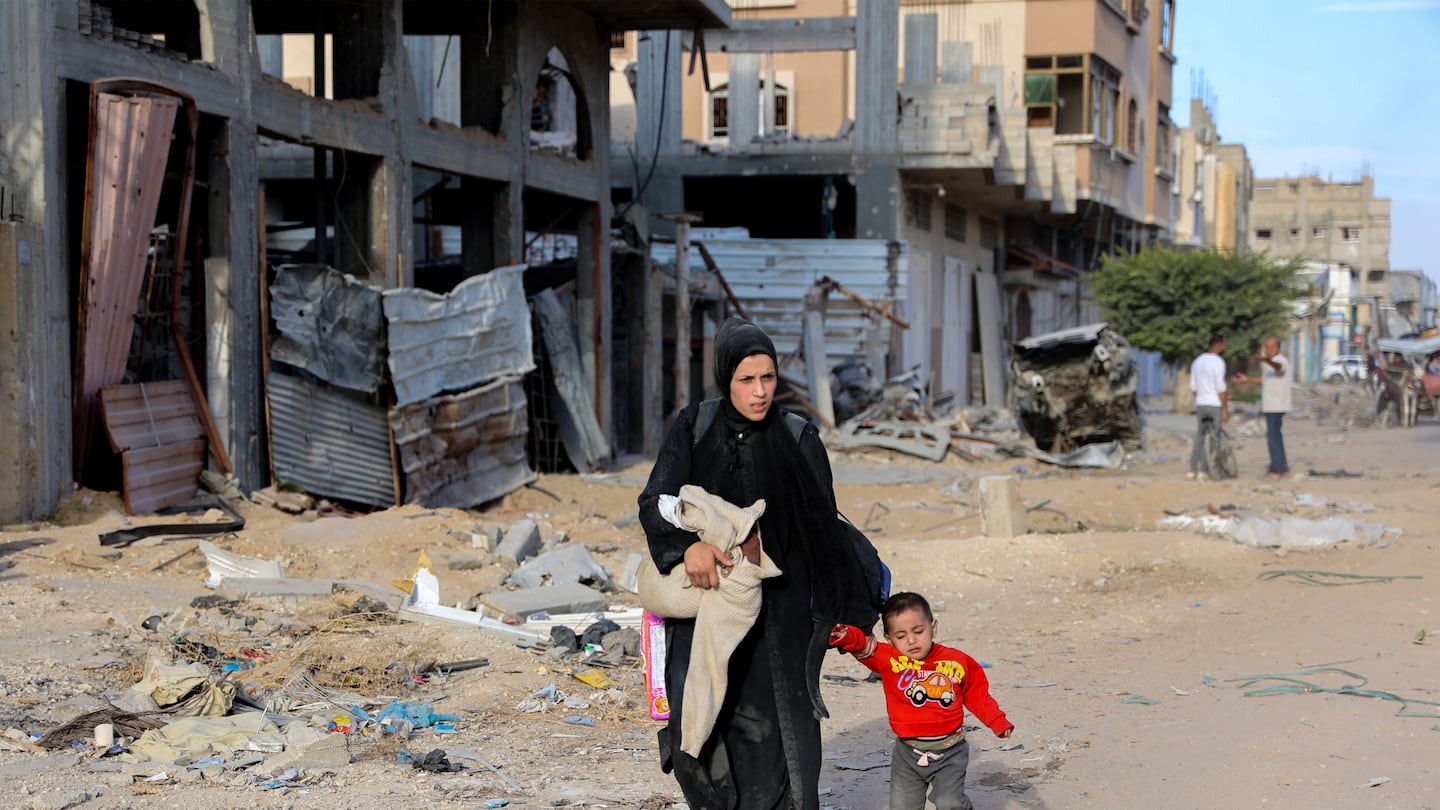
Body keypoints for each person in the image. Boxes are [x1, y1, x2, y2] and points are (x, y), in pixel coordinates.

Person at [638, 317, 878, 810]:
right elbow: (655, 501)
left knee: (780, 738)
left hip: (782, 618)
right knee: (699, 725)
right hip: (708, 610)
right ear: (726, 379)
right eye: (747, 380)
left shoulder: (798, 436)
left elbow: (824, 534)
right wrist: (688, 548)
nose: (760, 391)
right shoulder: (694, 427)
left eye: (768, 378)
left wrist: (838, 615)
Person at [829, 592, 1014, 810]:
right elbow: (862, 645)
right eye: (901, 635)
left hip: (950, 752)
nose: (912, 640)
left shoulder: (956, 661)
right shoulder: (888, 659)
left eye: (918, 631)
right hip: (908, 755)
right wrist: (845, 635)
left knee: (950, 803)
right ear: (889, 639)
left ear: (932, 627)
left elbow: (976, 693)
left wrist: (997, 721)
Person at [1233, 336, 1291, 478]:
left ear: (1276, 348)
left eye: (1269, 347)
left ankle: (1276, 469)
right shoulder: (1270, 365)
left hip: (1276, 406)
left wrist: (1266, 360)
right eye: (1265, 347)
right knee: (1276, 435)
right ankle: (1282, 467)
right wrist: (1247, 380)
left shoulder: (1280, 361)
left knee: (1273, 437)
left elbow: (1278, 368)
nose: (1266, 350)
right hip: (1270, 405)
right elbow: (1264, 379)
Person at [1187, 333, 1229, 480]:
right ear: (1219, 345)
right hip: (1214, 404)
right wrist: (1225, 409)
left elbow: (1193, 386)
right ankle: (1207, 470)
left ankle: (1192, 469)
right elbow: (1221, 388)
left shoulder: (1197, 361)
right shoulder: (1218, 362)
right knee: (1214, 438)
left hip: (1201, 403)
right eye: (1224, 344)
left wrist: (1200, 398)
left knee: (1200, 436)